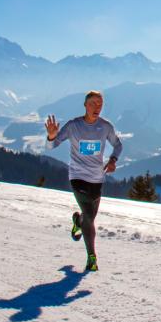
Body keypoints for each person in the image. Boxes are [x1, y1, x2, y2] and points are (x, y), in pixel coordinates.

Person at [45, 90, 122, 272]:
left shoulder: (105, 127)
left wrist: (112, 160)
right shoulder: (73, 126)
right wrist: (51, 136)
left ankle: (78, 222)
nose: (97, 107)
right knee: (89, 214)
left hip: (97, 178)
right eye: (94, 103)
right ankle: (92, 257)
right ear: (85, 105)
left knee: (89, 217)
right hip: (78, 177)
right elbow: (51, 146)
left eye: (100, 104)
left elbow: (118, 145)